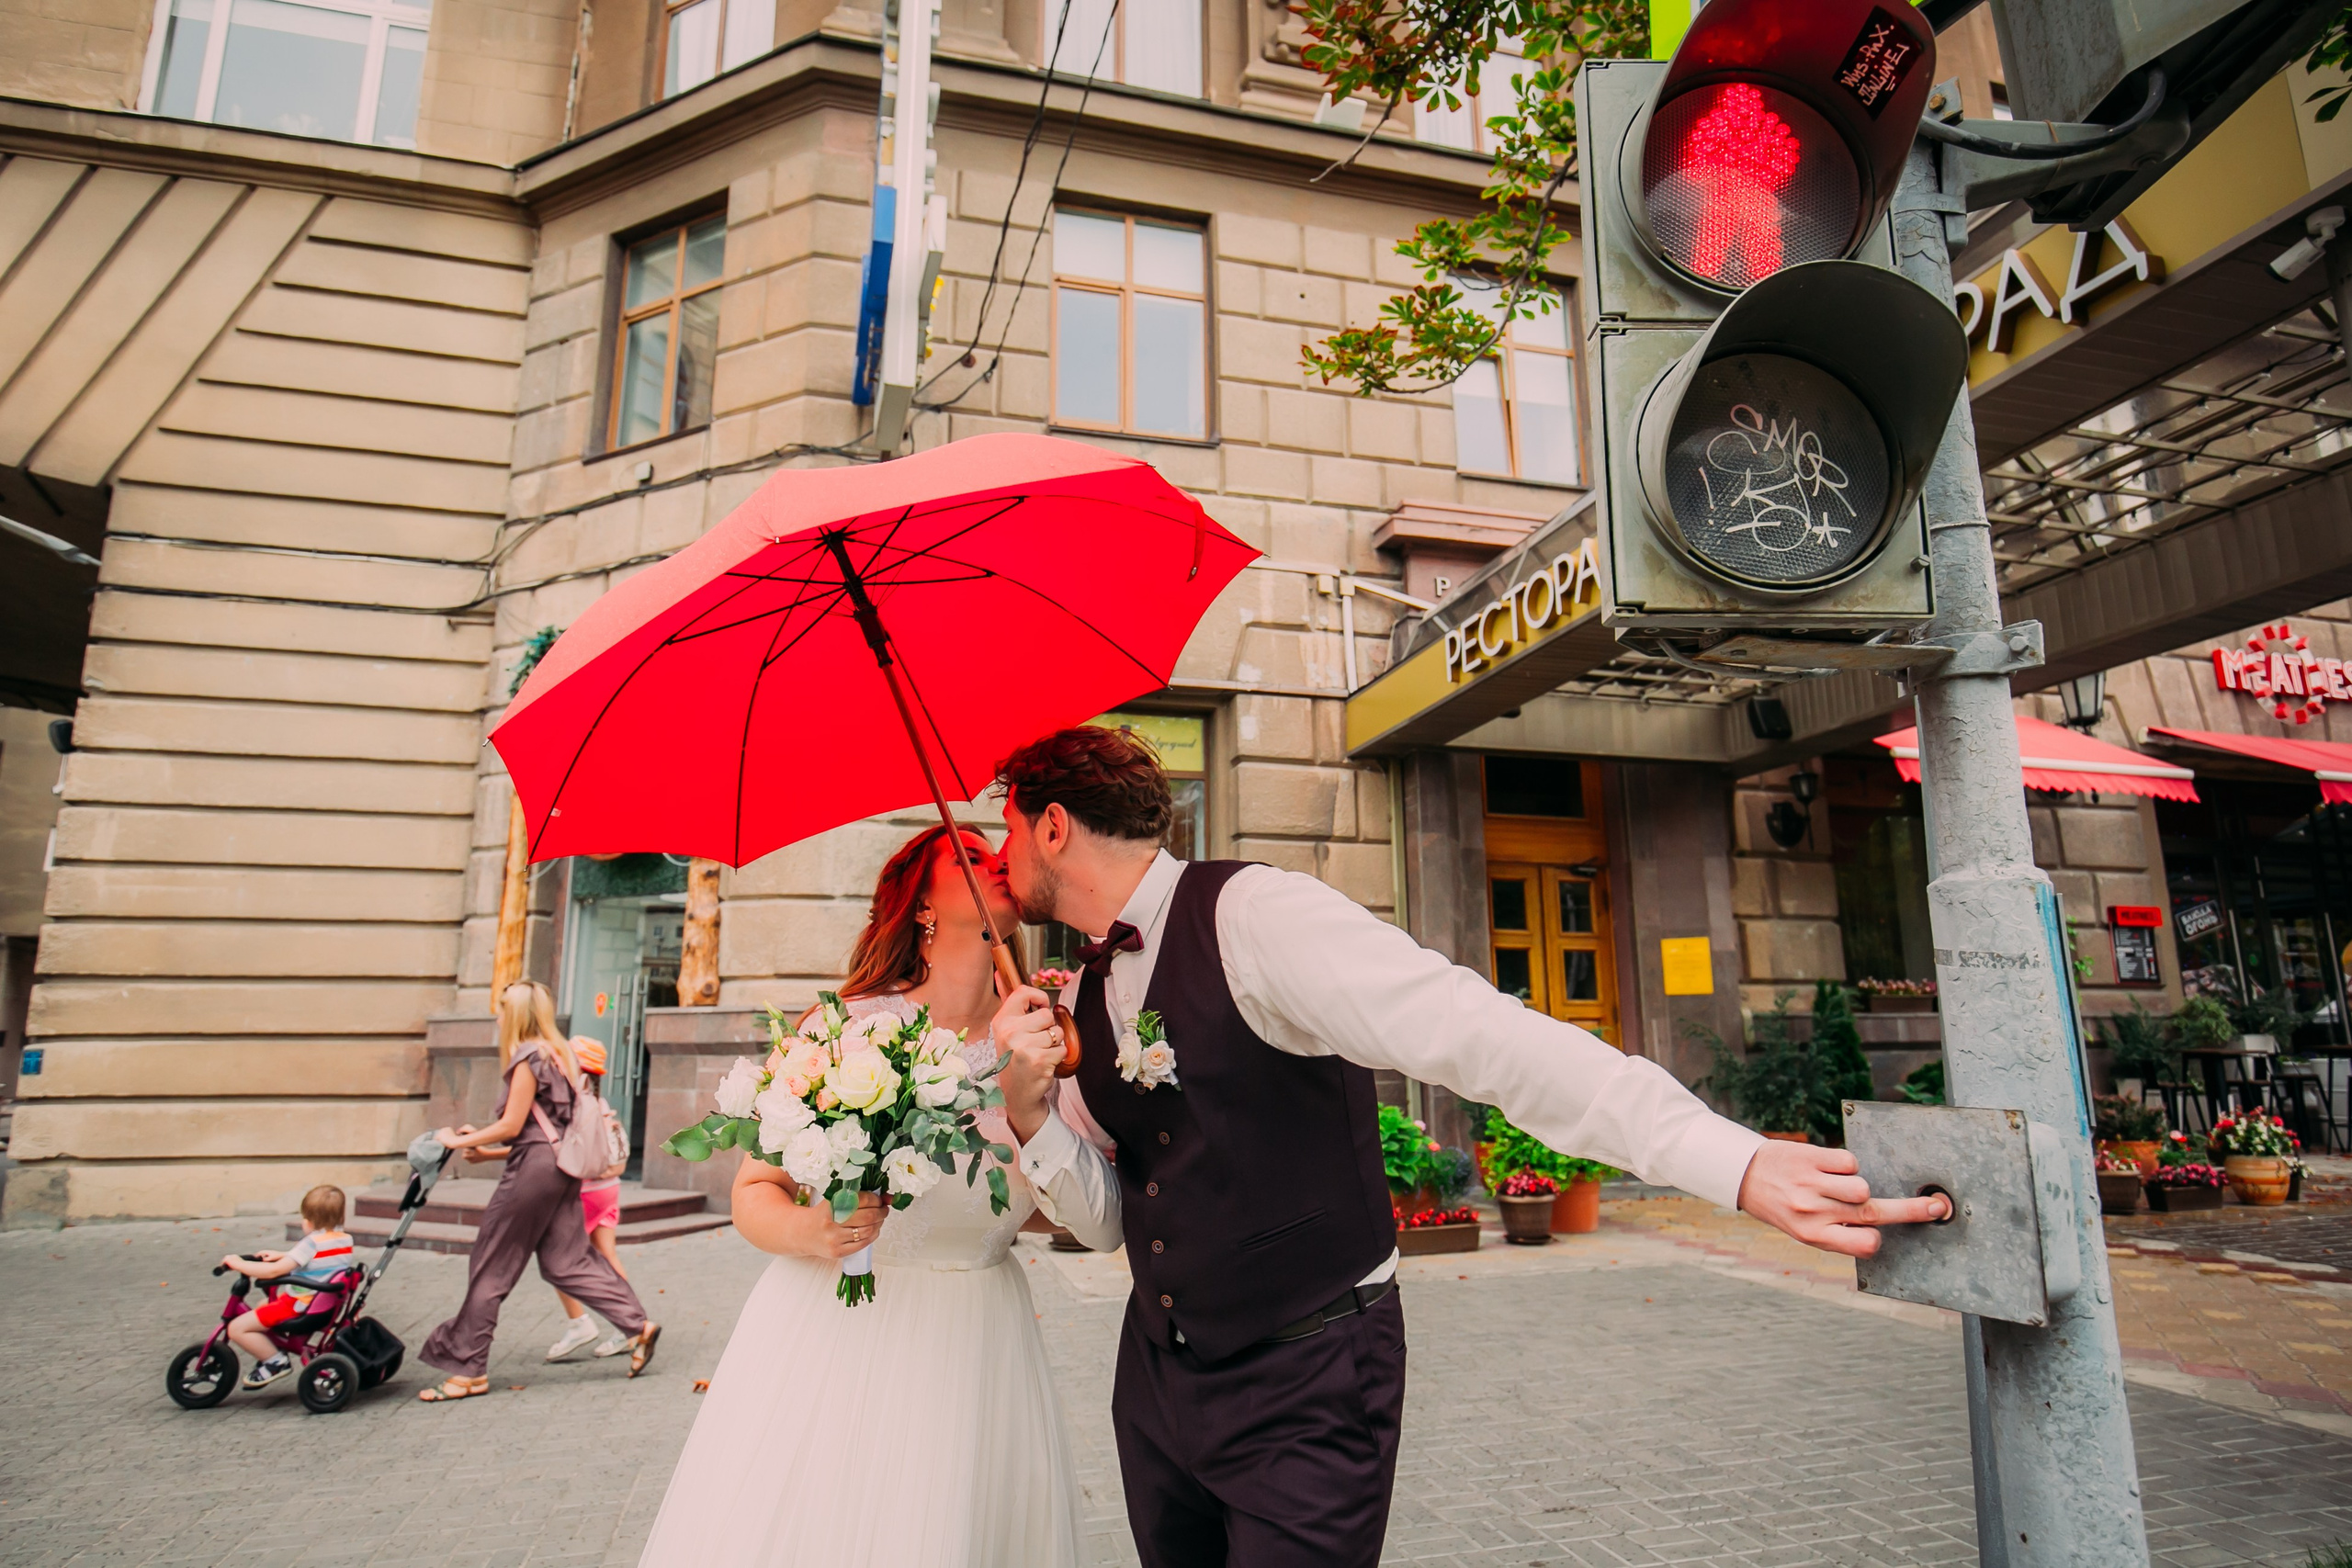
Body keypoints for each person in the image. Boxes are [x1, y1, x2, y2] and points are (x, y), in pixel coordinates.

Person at [985, 726, 1951, 1568]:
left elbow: (1484, 1036)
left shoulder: (1254, 916)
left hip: (1306, 1381)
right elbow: (1114, 1221)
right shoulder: (1080, 995)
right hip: (1153, 1385)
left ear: (1055, 826)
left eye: (1008, 828)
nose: (998, 852)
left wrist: (1727, 1161)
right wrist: (1032, 1112)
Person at [637, 825, 1085, 1568]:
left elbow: (1033, 1202)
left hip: (983, 1337)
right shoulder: (845, 1027)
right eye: (968, 857)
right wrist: (815, 1232)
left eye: (995, 851)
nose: (995, 863)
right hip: (848, 1333)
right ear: (922, 908)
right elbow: (755, 1188)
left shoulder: (1036, 1040)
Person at [417, 979, 659, 1401]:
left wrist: (459, 1142)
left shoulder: (527, 1056)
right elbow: (542, 1129)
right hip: (561, 1168)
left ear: (518, 1015)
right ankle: (638, 1325)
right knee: (565, 1259)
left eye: (504, 1007)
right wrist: (488, 1148)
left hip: (534, 1171)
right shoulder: (560, 1054)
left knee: (492, 1262)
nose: (498, 1015)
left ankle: (468, 1369)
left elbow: (514, 1127)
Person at [546, 1036, 635, 1361]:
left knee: (558, 1259)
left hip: (582, 1191)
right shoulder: (600, 1101)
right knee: (608, 1256)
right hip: (609, 1187)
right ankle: (630, 1324)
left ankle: (578, 1322)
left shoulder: (574, 1102)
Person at [219, 1183, 357, 1390]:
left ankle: (275, 1361)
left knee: (236, 1328)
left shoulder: (311, 1243)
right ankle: (275, 1347)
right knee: (263, 1304)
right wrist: (284, 1255)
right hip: (323, 1304)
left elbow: (273, 1272)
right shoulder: (344, 1239)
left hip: (299, 1305)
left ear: (309, 1222)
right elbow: (320, 1260)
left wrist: (238, 1263)